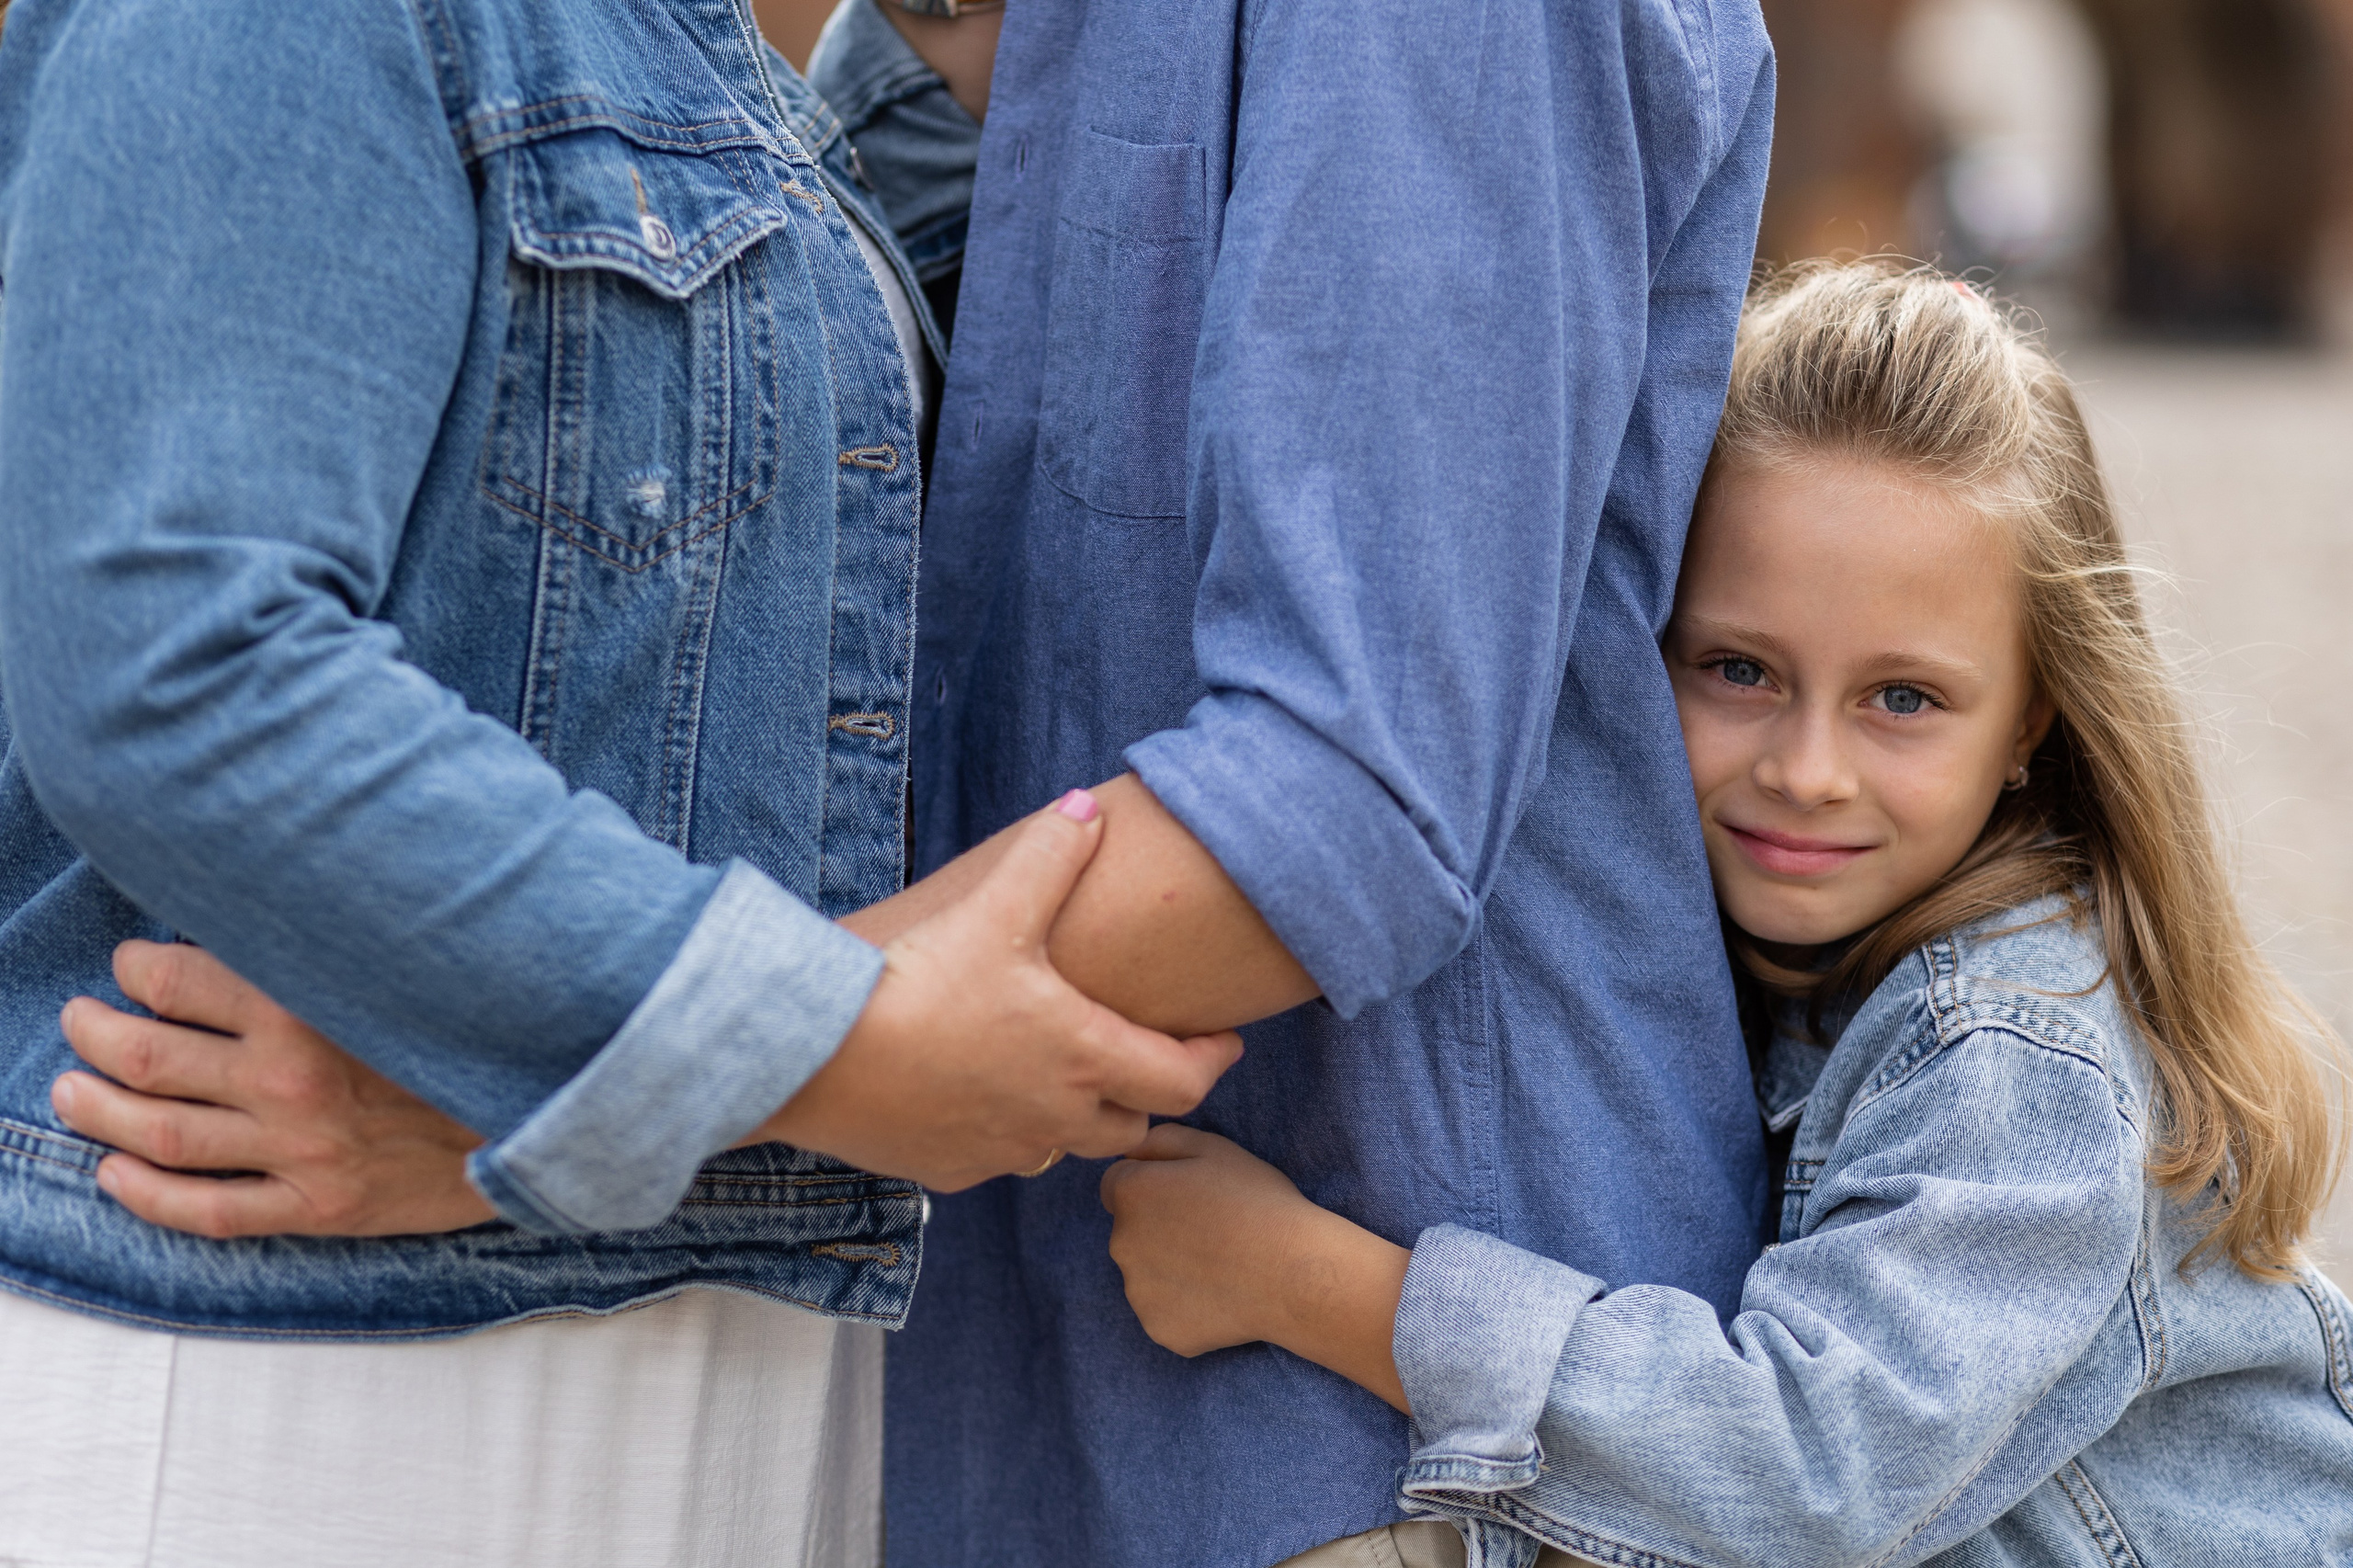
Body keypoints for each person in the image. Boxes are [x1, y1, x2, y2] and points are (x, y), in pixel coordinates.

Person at [48, 1, 1785, 1564]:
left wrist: (586, 1093)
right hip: (953, 1401)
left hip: (1376, 1447)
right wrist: (651, 1066)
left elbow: (1339, 796)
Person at [0, 3, 1234, 1564]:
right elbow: (177, 665)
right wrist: (834, 1040)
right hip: (298, 1361)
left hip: (729, 1383)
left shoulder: (716, 64)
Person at [1100, 263, 2353, 1567]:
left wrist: (1306, 1283)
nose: (1808, 768)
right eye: (1738, 669)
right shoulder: (1774, 947)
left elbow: (1799, 1472)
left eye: (1903, 699)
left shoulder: (2016, 1054)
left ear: (2032, 720)